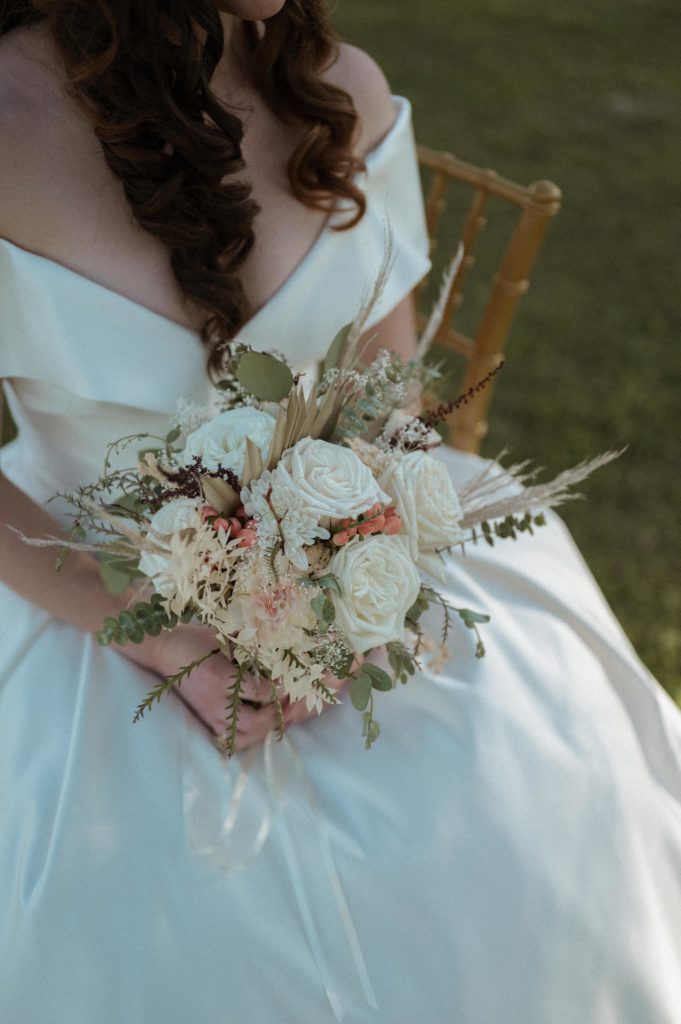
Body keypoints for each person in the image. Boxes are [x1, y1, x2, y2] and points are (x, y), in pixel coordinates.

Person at [1, 3, 680, 1022]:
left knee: (552, 805)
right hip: (82, 590)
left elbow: (391, 396)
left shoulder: (339, 88)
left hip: (353, 559)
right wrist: (149, 623)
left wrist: (359, 577)